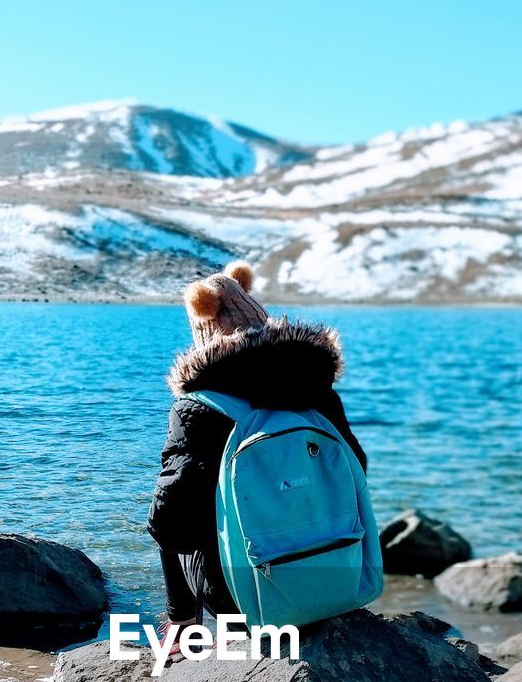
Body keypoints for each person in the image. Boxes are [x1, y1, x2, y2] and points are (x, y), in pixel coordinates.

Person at [147, 261, 367, 651]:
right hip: (337, 573)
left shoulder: (198, 407)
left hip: (246, 599)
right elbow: (357, 469)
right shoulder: (317, 390)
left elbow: (171, 525)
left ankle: (182, 624)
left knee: (170, 508)